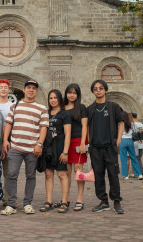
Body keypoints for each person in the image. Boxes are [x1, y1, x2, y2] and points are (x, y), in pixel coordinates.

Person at [0, 80, 49, 216]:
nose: (31, 90)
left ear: (36, 91)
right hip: (15, 147)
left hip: (32, 149)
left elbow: (43, 127)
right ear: (24, 89)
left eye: (34, 88)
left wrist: (39, 144)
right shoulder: (15, 106)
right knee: (11, 175)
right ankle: (11, 204)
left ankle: (27, 203)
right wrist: (5, 140)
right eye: (28, 88)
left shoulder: (42, 108)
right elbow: (8, 124)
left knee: (30, 176)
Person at [87, 79, 125, 214]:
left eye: (101, 88)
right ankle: (103, 201)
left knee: (113, 174)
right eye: (95, 89)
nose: (98, 91)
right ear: (93, 92)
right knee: (98, 175)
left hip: (110, 147)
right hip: (95, 148)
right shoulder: (90, 109)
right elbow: (86, 126)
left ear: (105, 90)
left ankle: (116, 201)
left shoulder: (113, 106)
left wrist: (118, 140)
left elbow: (120, 123)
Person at [39, 89, 71, 214]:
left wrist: (65, 152)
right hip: (48, 148)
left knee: (62, 174)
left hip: (60, 148)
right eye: (50, 98)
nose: (53, 100)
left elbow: (67, 134)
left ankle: (64, 202)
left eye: (55, 98)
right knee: (48, 175)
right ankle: (49, 201)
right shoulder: (45, 113)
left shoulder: (65, 114)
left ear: (59, 99)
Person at [64, 83, 88, 212]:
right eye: (69, 92)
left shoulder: (82, 108)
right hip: (65, 142)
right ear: (66, 94)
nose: (72, 95)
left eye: (74, 92)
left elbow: (85, 126)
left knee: (78, 172)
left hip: (79, 141)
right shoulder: (62, 108)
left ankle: (80, 199)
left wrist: (83, 143)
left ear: (77, 95)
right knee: (66, 173)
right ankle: (66, 199)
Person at [0, 79, 13, 207]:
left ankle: (7, 198)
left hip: (9, 141)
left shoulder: (13, 105)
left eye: (6, 87)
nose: (3, 89)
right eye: (1, 87)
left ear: (9, 90)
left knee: (8, 172)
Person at [120, 112, 143, 180]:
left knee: (123, 158)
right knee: (133, 157)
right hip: (130, 140)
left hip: (123, 140)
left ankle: (125, 175)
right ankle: (139, 174)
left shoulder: (121, 124)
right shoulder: (132, 124)